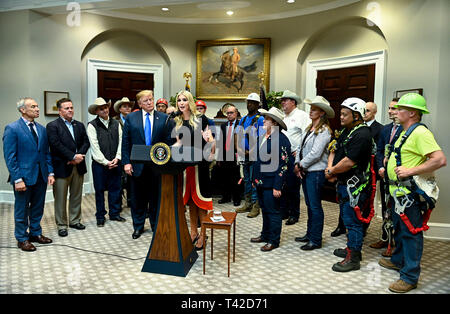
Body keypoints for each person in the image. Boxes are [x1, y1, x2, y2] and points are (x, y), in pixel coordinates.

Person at [378, 93, 446, 293]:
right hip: (398, 192)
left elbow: (440, 159)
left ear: (412, 113)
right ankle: (399, 260)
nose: (395, 112)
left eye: (400, 109)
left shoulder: (420, 133)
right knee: (399, 230)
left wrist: (410, 171)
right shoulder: (406, 131)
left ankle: (409, 276)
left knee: (410, 234)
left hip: (409, 194)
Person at [325, 97, 373, 272]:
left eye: (345, 114)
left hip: (356, 187)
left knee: (353, 222)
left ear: (356, 115)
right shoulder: (347, 131)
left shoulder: (362, 134)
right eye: (341, 114)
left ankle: (353, 258)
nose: (341, 117)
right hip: (344, 183)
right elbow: (335, 150)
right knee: (347, 219)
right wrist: (331, 169)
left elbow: (348, 161)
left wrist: (331, 171)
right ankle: (351, 249)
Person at [3, 97, 54, 251]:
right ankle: (22, 238)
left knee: (38, 207)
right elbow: (10, 157)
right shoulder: (12, 128)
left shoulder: (41, 129)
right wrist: (17, 178)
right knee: (22, 209)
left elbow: (46, 153)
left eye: (37, 106)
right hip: (23, 177)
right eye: (33, 106)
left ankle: (35, 233)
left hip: (41, 175)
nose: (37, 109)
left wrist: (50, 172)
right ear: (22, 110)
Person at [122, 90, 172, 239]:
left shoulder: (164, 118)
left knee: (155, 197)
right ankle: (138, 226)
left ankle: (156, 225)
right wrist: (126, 163)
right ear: (139, 103)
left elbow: (169, 141)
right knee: (137, 198)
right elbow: (126, 142)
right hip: (137, 165)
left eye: (151, 99)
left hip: (157, 165)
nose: (150, 102)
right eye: (146, 101)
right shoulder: (131, 118)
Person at [173, 90, 215, 251]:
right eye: (179, 100)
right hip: (184, 167)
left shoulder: (200, 119)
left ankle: (203, 234)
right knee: (190, 202)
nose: (181, 103)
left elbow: (211, 140)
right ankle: (192, 232)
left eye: (184, 100)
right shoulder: (176, 121)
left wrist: (209, 145)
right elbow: (178, 144)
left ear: (189, 102)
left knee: (201, 202)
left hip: (200, 165)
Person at [250, 107, 292, 251]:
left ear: (274, 123)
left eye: (267, 119)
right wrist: (254, 180)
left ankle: (274, 240)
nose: (263, 120)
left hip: (272, 183)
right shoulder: (263, 136)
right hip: (261, 181)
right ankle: (265, 234)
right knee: (265, 210)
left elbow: (283, 165)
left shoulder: (281, 139)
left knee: (273, 211)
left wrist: (277, 186)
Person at [294, 96, 333, 250]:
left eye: (315, 109)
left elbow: (316, 153)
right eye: (311, 108)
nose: (311, 111)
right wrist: (298, 163)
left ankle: (315, 239)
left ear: (322, 113)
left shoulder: (324, 131)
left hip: (315, 172)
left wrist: (300, 165)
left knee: (315, 206)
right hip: (306, 170)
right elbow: (300, 147)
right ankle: (309, 234)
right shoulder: (309, 128)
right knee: (309, 205)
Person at [47, 98, 90, 237]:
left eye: (71, 107)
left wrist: (79, 156)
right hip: (62, 166)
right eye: (66, 108)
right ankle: (61, 225)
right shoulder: (53, 126)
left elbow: (86, 141)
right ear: (59, 111)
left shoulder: (79, 125)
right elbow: (55, 145)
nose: (70, 110)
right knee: (60, 197)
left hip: (79, 166)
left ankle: (75, 220)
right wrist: (72, 157)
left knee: (76, 195)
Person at [369, 98, 402, 256]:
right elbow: (379, 150)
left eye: (394, 108)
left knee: (398, 210)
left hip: (400, 179)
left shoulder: (407, 129)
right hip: (384, 176)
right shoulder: (385, 129)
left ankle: (396, 243)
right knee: (385, 207)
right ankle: (385, 237)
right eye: (389, 108)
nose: (390, 111)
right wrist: (381, 167)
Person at [87, 97, 125, 227]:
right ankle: (100, 216)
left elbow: (121, 141)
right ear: (96, 111)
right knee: (99, 190)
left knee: (116, 188)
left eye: (106, 107)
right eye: (101, 108)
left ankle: (114, 213)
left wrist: (117, 158)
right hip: (99, 164)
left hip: (115, 162)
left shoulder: (116, 123)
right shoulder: (92, 125)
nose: (104, 110)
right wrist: (105, 162)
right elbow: (94, 146)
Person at [280, 90, 311, 225]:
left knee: (293, 186)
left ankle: (294, 213)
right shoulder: (283, 117)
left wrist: (299, 151)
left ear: (293, 102)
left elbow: (307, 135)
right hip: (283, 155)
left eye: (285, 100)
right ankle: (285, 210)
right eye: (282, 100)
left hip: (294, 156)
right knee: (283, 185)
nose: (282, 103)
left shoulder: (302, 116)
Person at [236, 92, 264, 218]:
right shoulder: (243, 119)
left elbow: (261, 138)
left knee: (254, 181)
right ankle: (247, 203)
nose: (249, 104)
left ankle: (255, 206)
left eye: (252, 102)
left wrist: (251, 151)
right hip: (243, 154)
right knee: (246, 180)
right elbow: (237, 134)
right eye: (248, 102)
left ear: (258, 104)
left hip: (255, 155)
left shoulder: (261, 119)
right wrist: (238, 148)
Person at [216, 104, 241, 206]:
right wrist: (219, 158)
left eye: (231, 113)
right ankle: (226, 197)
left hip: (235, 155)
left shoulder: (240, 125)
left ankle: (236, 198)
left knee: (235, 178)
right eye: (228, 113)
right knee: (224, 178)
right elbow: (220, 142)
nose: (229, 115)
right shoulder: (223, 126)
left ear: (236, 113)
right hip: (225, 155)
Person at [113, 97, 133, 208]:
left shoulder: (134, 119)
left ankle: (131, 201)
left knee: (131, 179)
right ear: (119, 109)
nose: (128, 108)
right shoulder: (114, 121)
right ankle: (118, 203)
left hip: (132, 153)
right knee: (119, 180)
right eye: (125, 106)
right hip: (119, 153)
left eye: (129, 106)